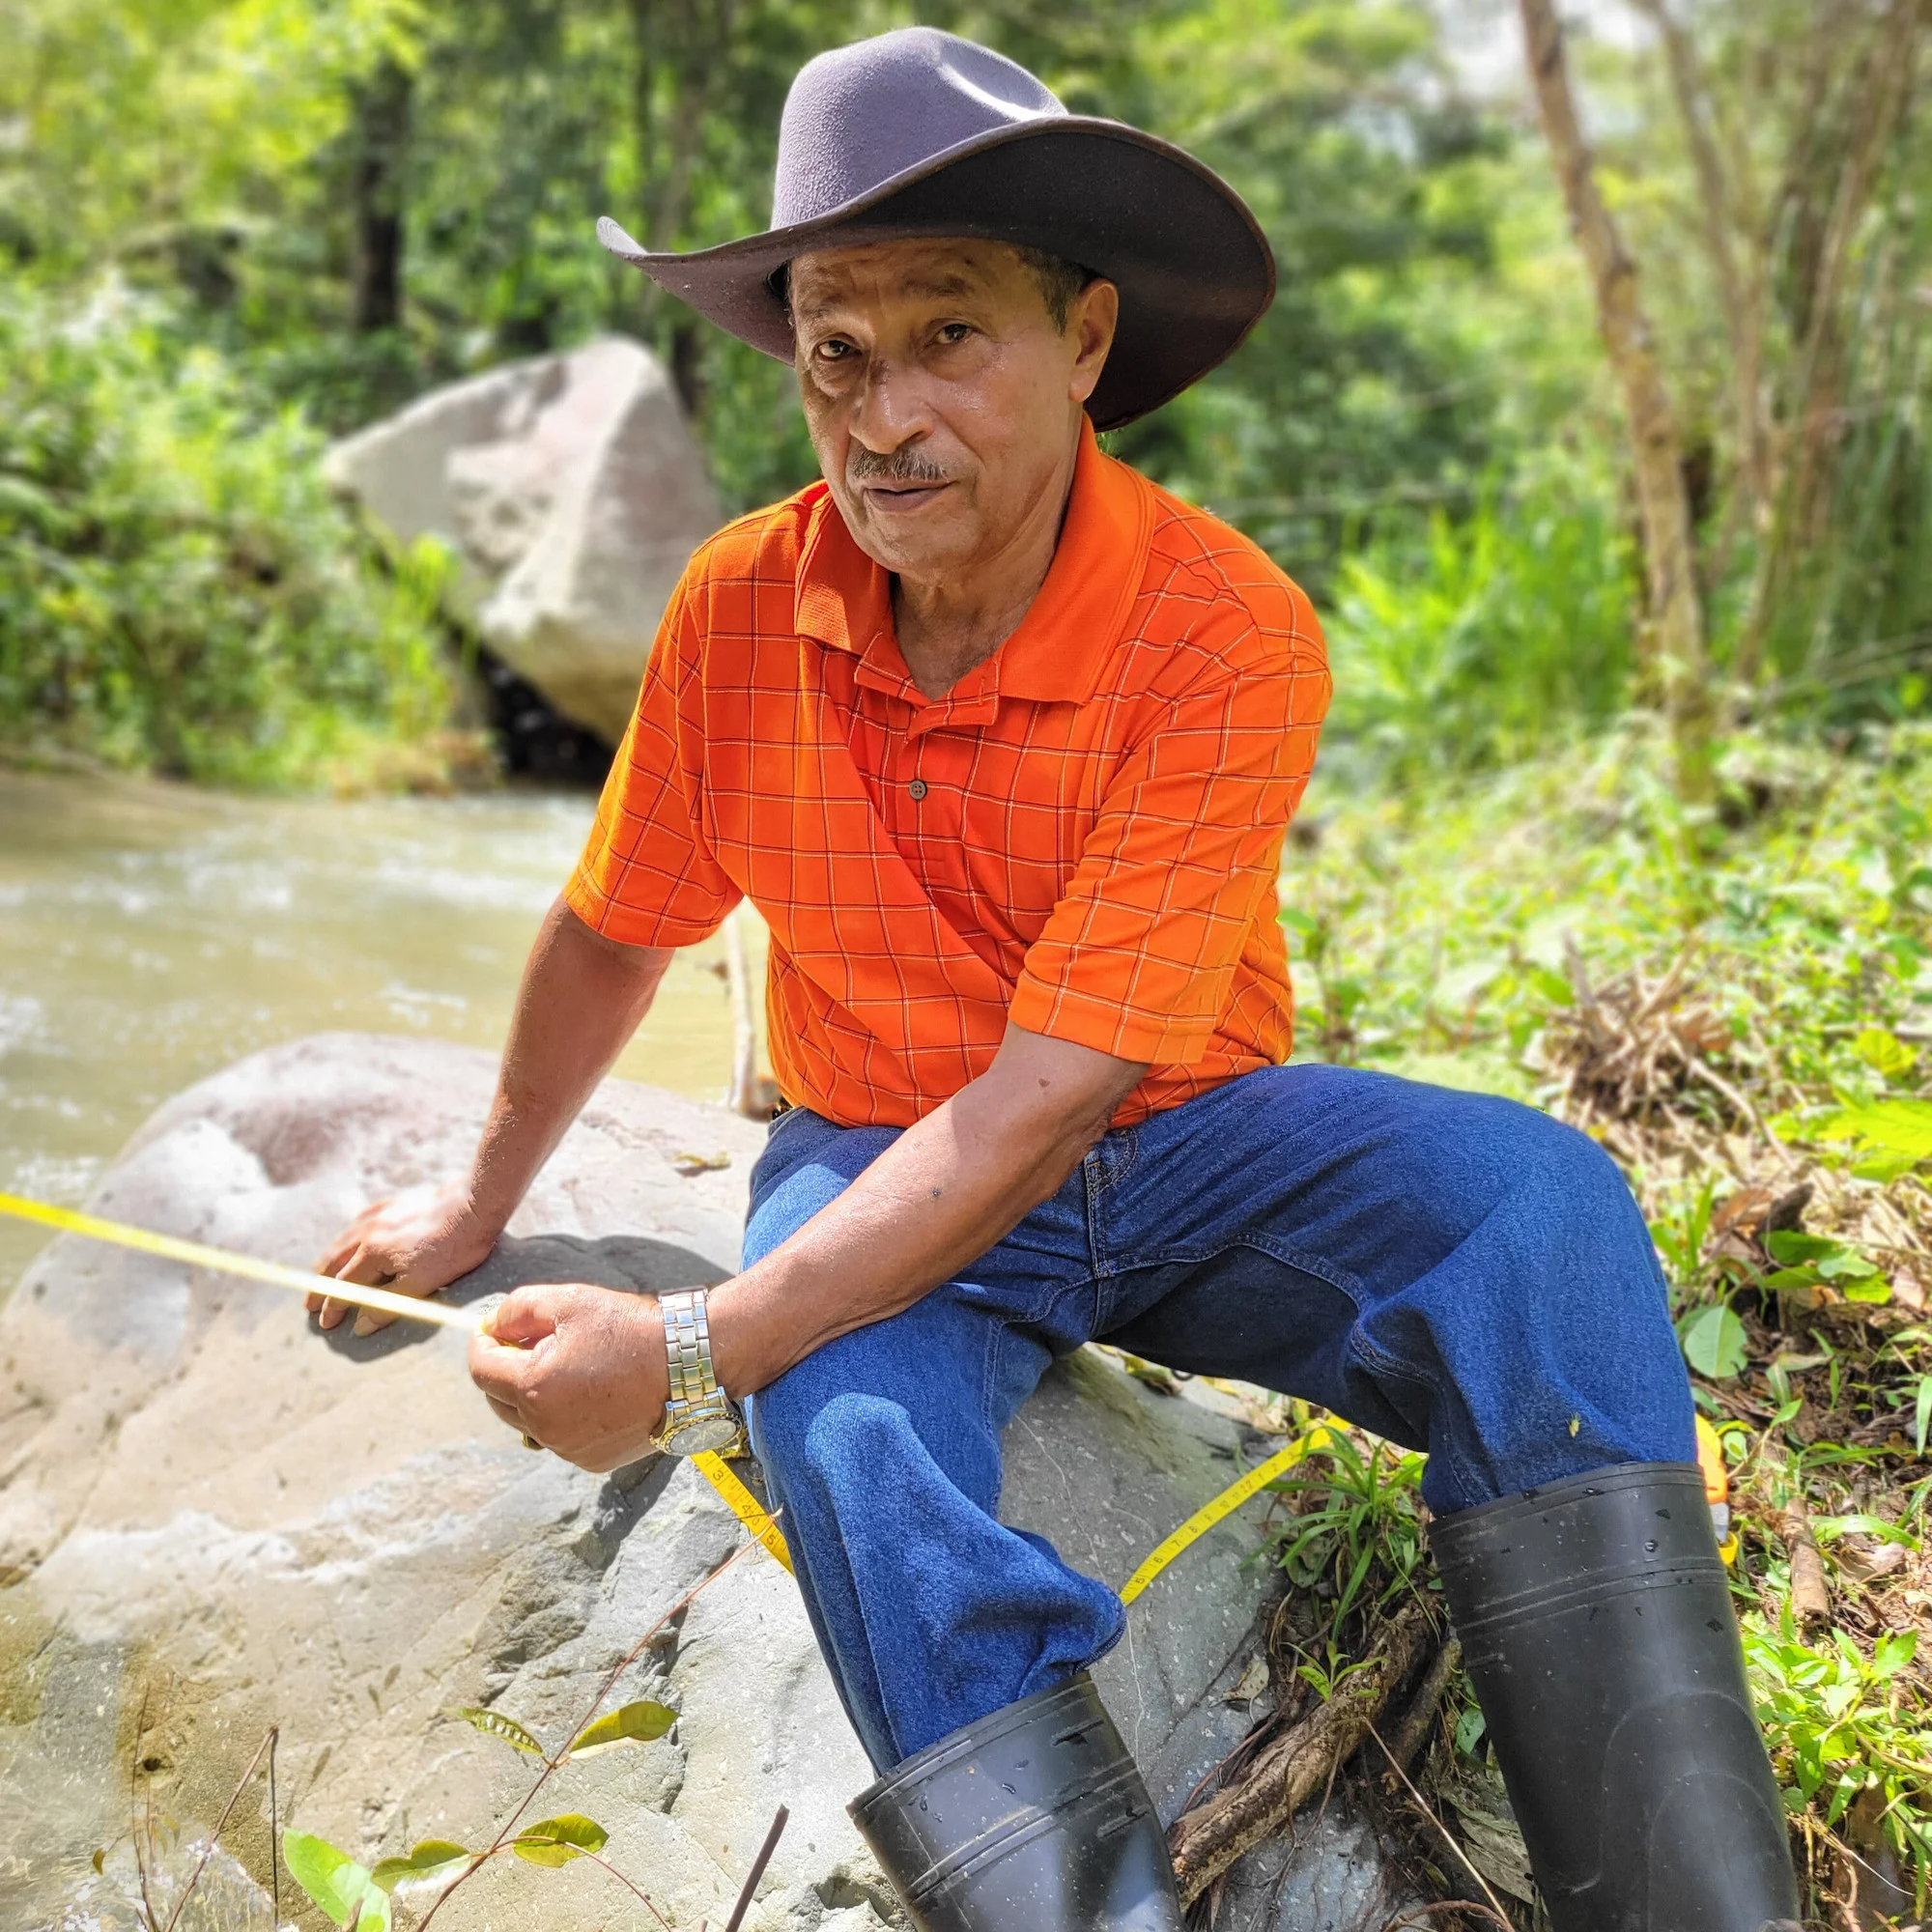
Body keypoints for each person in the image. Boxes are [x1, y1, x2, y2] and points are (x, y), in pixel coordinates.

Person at [312, 29, 1801, 1932]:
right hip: (870, 1153)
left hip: (1188, 1153)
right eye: (833, 351)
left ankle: (1686, 1907)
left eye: (950, 337)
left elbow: (1053, 1099)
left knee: (1544, 1215)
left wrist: (684, 1353)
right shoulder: (734, 611)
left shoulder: (1221, 633)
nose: (879, 413)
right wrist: (482, 1196)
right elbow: (616, 927)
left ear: (1084, 341)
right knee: (847, 1420)